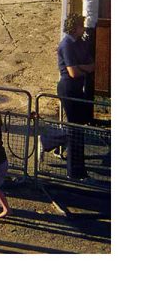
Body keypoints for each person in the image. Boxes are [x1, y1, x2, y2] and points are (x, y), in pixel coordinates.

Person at [57, 13, 95, 180]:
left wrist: (83, 67)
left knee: (78, 127)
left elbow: (92, 65)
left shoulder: (80, 42)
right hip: (68, 88)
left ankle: (78, 166)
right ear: (75, 27)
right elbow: (72, 72)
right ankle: (73, 171)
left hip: (78, 87)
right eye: (81, 25)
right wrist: (84, 68)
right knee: (74, 129)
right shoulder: (66, 44)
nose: (83, 28)